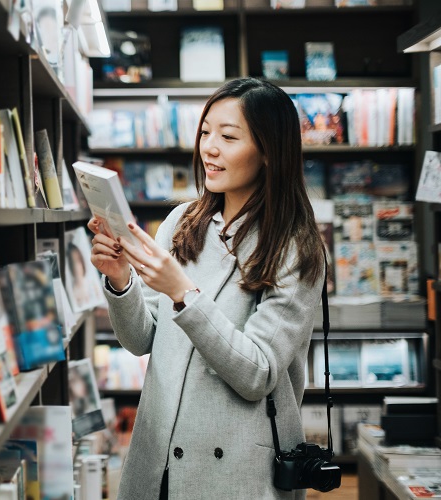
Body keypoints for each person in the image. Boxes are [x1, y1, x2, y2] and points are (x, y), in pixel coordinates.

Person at [87, 77, 326, 499]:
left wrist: (183, 292)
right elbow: (141, 339)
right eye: (205, 132)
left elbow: (258, 373)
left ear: (269, 151)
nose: (209, 147)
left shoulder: (296, 247)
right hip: (158, 456)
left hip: (236, 467)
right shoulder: (182, 222)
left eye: (228, 136)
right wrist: (121, 278)